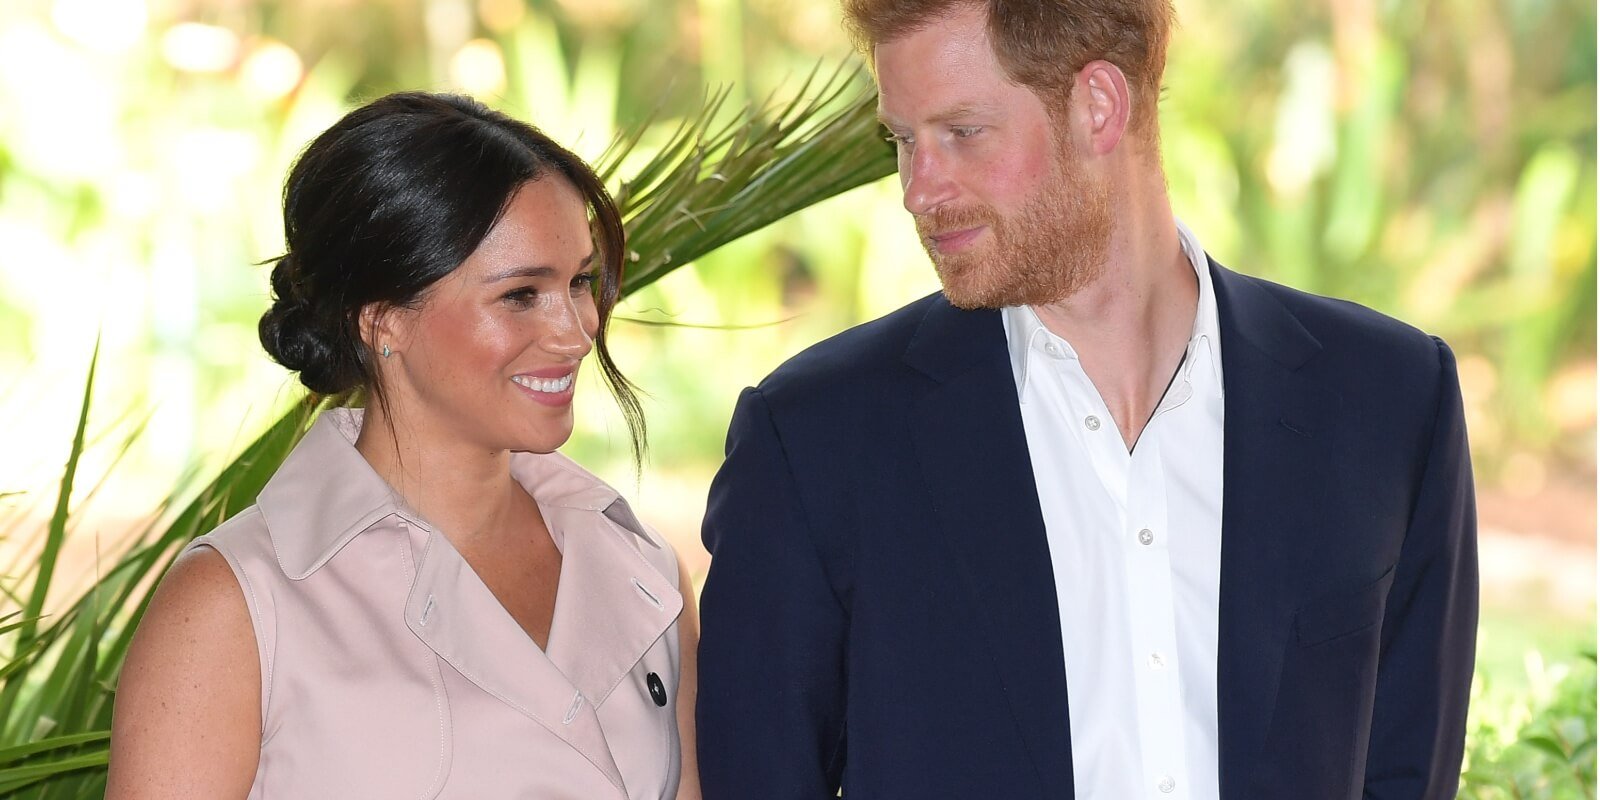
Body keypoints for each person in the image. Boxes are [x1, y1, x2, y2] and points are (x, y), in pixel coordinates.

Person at [695, 2, 1477, 798]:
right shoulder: (812, 442)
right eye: (902, 141)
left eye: (961, 132)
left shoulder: (1388, 403)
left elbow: (1406, 771)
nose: (916, 191)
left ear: (1099, 106)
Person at [108, 92, 700, 799]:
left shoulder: (639, 563)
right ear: (382, 318)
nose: (576, 332)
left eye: (577, 283)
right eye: (520, 295)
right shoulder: (235, 605)